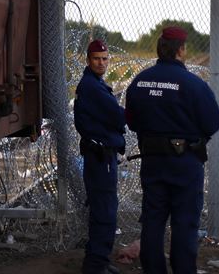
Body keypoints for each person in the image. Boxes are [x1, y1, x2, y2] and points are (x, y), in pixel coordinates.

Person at [125, 26, 219, 274]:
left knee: (153, 222)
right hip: (185, 163)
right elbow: (212, 123)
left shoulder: (139, 82)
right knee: (184, 224)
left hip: (152, 162)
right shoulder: (193, 85)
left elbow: (132, 121)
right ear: (181, 50)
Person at [74, 39, 126, 274]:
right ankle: (95, 266)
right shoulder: (92, 87)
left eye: (104, 59)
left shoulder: (94, 83)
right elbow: (117, 116)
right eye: (96, 59)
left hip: (102, 156)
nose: (101, 63)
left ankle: (99, 261)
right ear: (88, 60)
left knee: (103, 209)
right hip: (100, 158)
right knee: (104, 211)